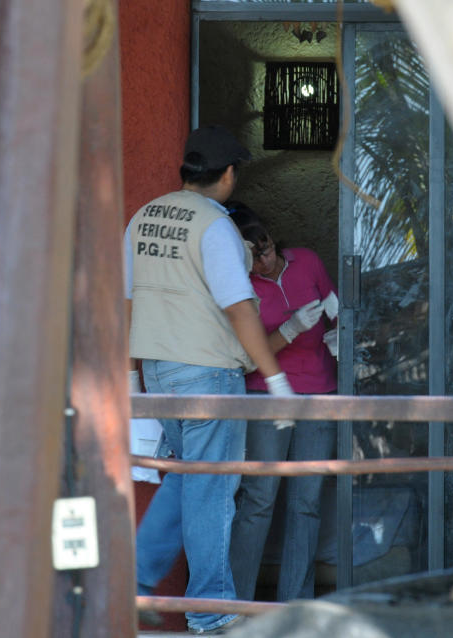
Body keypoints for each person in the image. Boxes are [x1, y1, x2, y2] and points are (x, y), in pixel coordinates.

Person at [125, 126, 295, 635]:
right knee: (213, 487)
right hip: (206, 373)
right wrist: (276, 379)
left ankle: (132, 581)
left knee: (187, 478)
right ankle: (211, 611)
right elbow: (239, 307)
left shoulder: (144, 217)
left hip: (158, 369)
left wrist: (131, 373)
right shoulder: (215, 227)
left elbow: (128, 301)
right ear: (227, 175)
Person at [226, 202, 338, 602]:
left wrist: (339, 332)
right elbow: (248, 356)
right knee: (259, 498)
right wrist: (291, 329)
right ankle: (233, 603)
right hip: (266, 393)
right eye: (254, 257)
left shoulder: (306, 261)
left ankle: (297, 601)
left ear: (272, 238)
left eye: (267, 248)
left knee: (306, 501)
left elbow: (337, 309)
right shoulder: (240, 287)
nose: (264, 261)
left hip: (320, 390)